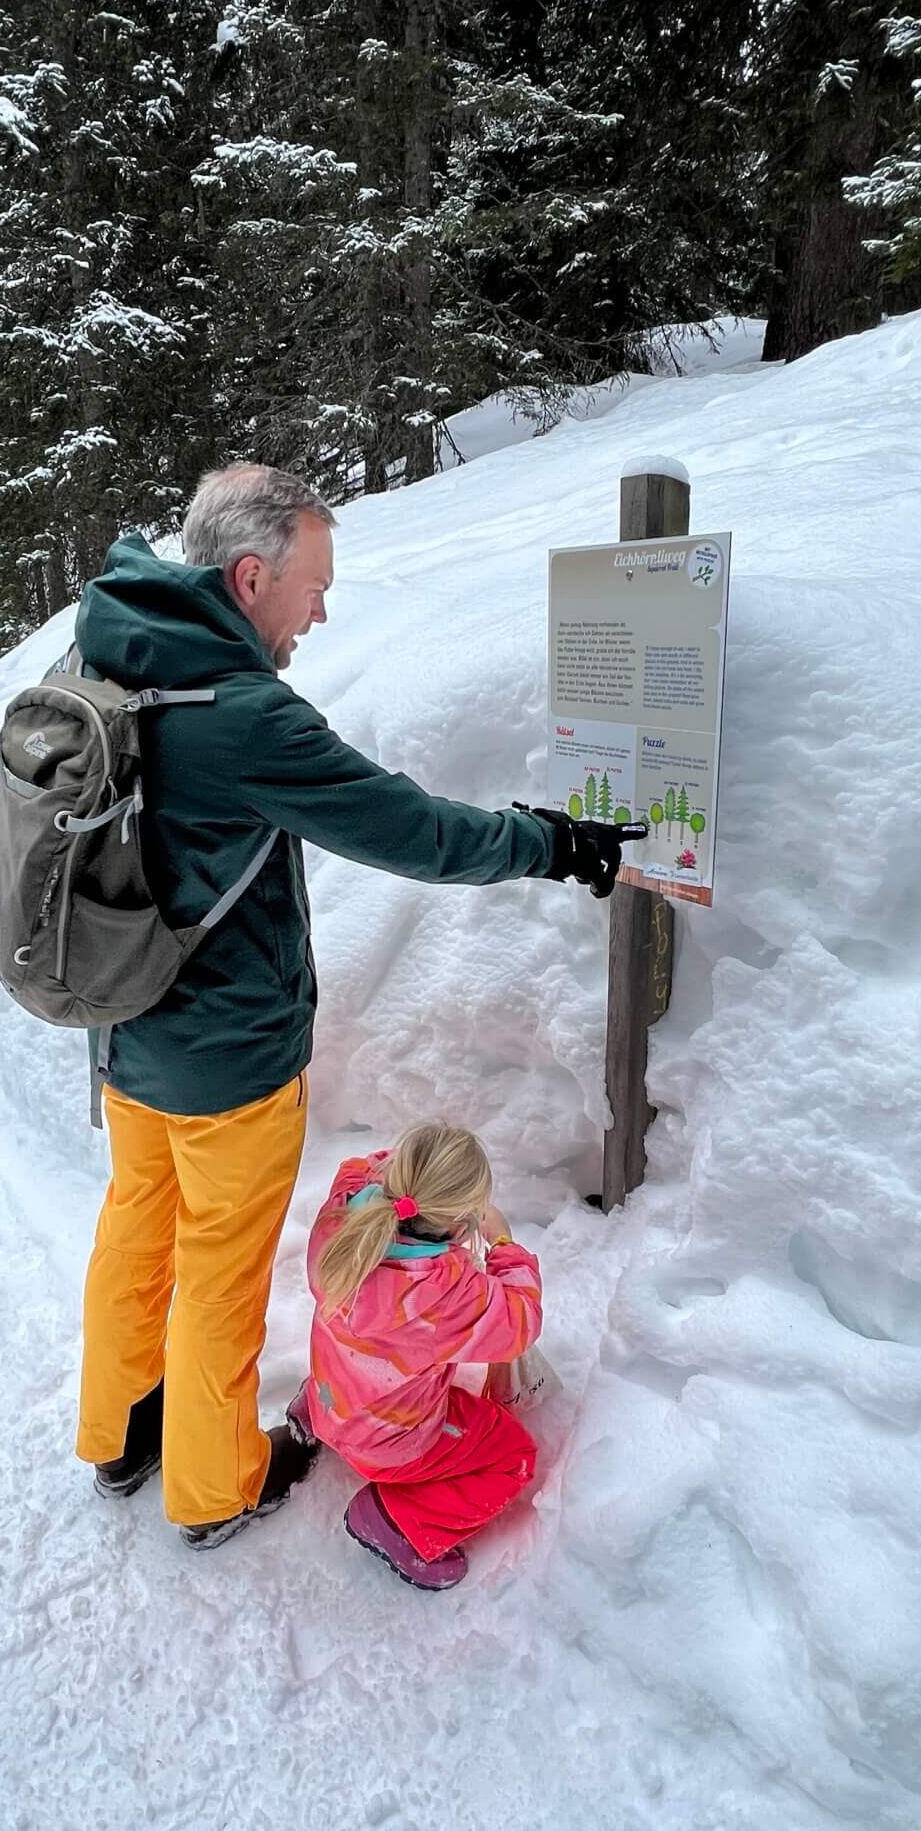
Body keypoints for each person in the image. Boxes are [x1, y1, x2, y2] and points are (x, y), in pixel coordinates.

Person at [70, 463, 637, 1550]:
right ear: (248, 577)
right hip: (226, 1059)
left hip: (122, 1029)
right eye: (313, 585)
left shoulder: (113, 646)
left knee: (136, 1235)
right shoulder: (241, 713)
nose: (321, 609)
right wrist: (551, 843)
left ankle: (119, 1437)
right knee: (221, 1278)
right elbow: (410, 829)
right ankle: (212, 1487)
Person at [288, 1125, 542, 1591]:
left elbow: (361, 1166)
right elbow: (519, 1322)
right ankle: (398, 1521)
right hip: (390, 1447)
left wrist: (420, 1170)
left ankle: (312, 1410)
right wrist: (503, 1244)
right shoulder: (442, 1293)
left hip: (331, 1397)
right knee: (513, 1457)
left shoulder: (342, 1216)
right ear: (457, 1223)